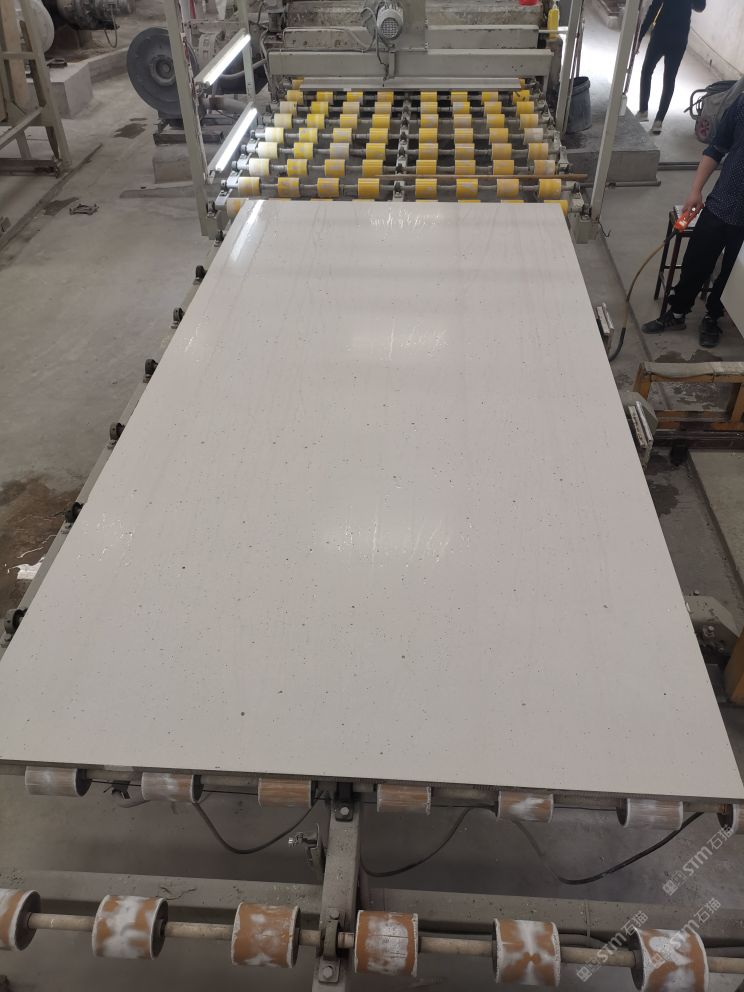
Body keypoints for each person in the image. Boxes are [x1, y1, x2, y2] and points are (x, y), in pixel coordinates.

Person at [642, 91, 744, 348]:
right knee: (696, 261)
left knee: (732, 273)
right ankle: (677, 312)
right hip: (722, 202)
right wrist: (696, 190)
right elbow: (716, 148)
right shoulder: (742, 103)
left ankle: (713, 317)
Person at [637, 0, 706, 134]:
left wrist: (640, 36)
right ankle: (658, 121)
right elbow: (700, 7)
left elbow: (654, 8)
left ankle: (643, 110)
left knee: (647, 71)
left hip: (661, 33)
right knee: (669, 79)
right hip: (679, 38)